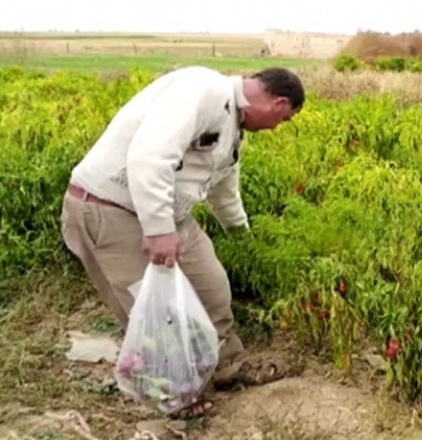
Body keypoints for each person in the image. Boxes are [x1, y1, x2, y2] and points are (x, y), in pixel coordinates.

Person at [60, 65, 305, 418]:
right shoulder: (204, 91)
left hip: (169, 214)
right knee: (155, 311)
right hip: (109, 210)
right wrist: (159, 229)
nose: (277, 127)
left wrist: (242, 236)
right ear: (278, 103)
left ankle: (227, 365)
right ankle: (173, 395)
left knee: (213, 287)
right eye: (284, 119)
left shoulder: (232, 126)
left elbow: (224, 192)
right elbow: (149, 156)